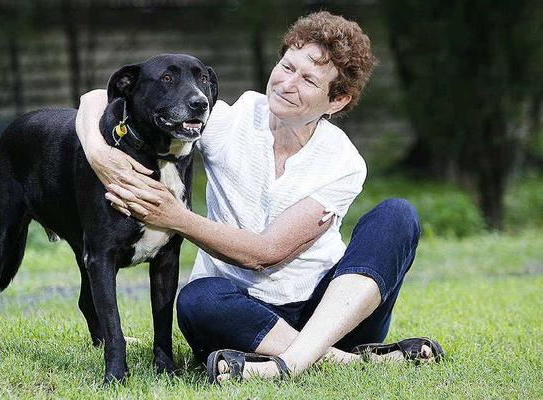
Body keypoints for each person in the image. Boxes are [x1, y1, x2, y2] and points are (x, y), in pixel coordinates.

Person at [75, 11, 443, 383]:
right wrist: (97, 152)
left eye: (308, 80)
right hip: (239, 315)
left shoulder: (343, 162)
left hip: (334, 315)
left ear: (337, 101)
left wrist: (176, 217)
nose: (287, 83)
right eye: (286, 66)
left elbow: (266, 254)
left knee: (398, 214)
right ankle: (342, 361)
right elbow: (92, 99)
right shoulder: (230, 121)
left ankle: (295, 360)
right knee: (197, 299)